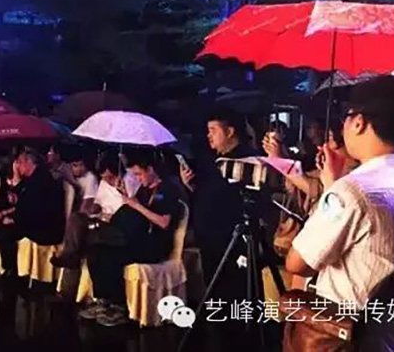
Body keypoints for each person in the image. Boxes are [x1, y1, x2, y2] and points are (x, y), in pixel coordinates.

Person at [286, 76, 394, 352]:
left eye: (345, 117)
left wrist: (333, 191)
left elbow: (298, 263)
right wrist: (333, 185)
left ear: (358, 122)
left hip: (350, 344)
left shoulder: (353, 191)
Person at [80, 154, 182, 327]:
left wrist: (136, 205)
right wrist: (126, 196)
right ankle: (103, 301)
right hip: (136, 238)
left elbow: (164, 223)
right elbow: (135, 213)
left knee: (112, 257)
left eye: (139, 174)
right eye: (135, 175)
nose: (137, 178)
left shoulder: (167, 190)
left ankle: (119, 307)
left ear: (150, 170)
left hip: (154, 244)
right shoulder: (143, 189)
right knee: (96, 250)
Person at [178, 108, 256, 294]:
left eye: (213, 130)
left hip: (232, 238)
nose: (209, 136)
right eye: (208, 131)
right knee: (213, 286)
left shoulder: (247, 160)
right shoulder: (210, 161)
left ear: (230, 131)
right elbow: (204, 193)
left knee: (236, 288)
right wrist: (189, 184)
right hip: (208, 237)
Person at [0, 148, 65, 276]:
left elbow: (36, 209)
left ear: (29, 162)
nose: (17, 166)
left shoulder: (41, 180)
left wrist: (13, 219)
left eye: (20, 162)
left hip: (45, 227)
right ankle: (9, 267)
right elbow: (24, 204)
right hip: (34, 220)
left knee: (3, 231)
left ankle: (10, 270)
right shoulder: (32, 179)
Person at [52, 153, 115, 269]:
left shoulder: (91, 178)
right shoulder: (103, 183)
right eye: (75, 165)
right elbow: (97, 203)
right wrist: (95, 207)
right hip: (96, 216)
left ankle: (70, 256)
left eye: (109, 177)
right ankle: (69, 255)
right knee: (75, 219)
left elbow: (87, 205)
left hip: (109, 220)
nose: (107, 180)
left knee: (78, 222)